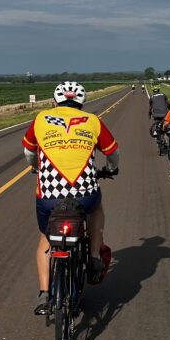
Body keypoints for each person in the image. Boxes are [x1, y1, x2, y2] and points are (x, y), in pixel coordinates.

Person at [23, 80, 119, 315]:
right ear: (82, 103)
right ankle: (94, 255)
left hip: (49, 196)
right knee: (96, 210)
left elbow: (28, 152)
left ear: (54, 102)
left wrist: (36, 166)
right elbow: (112, 153)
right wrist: (111, 169)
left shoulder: (41, 120)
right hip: (84, 195)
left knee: (46, 240)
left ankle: (45, 293)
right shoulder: (93, 121)